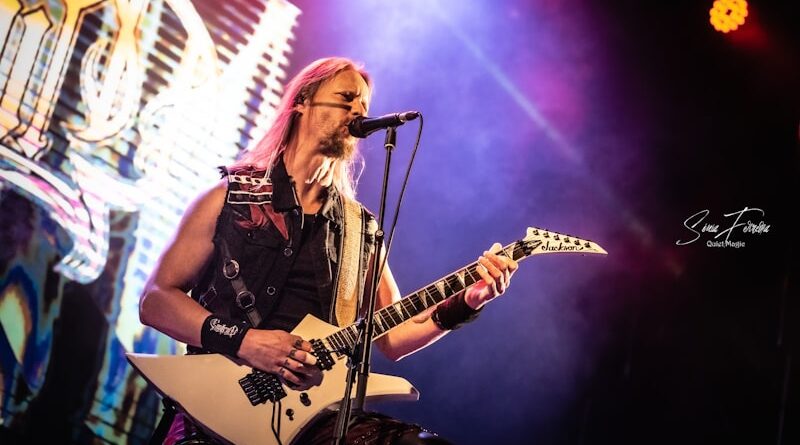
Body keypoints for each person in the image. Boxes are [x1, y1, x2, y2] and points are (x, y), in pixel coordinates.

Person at [139, 57, 518, 445]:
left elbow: (393, 336)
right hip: (212, 415)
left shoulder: (360, 229)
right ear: (302, 101)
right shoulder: (230, 197)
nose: (358, 111)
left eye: (364, 105)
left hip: (314, 421)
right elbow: (155, 300)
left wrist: (467, 301)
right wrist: (246, 342)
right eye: (347, 98)